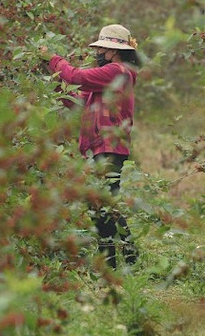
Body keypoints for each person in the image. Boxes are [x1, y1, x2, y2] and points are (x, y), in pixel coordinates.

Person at [39, 23, 142, 270]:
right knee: (100, 205)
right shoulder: (107, 80)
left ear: (113, 52)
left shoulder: (118, 71)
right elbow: (77, 102)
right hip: (100, 146)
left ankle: (124, 260)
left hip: (109, 146)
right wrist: (57, 83)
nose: (98, 54)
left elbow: (76, 77)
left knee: (103, 204)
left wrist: (53, 60)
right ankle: (117, 261)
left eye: (102, 49)